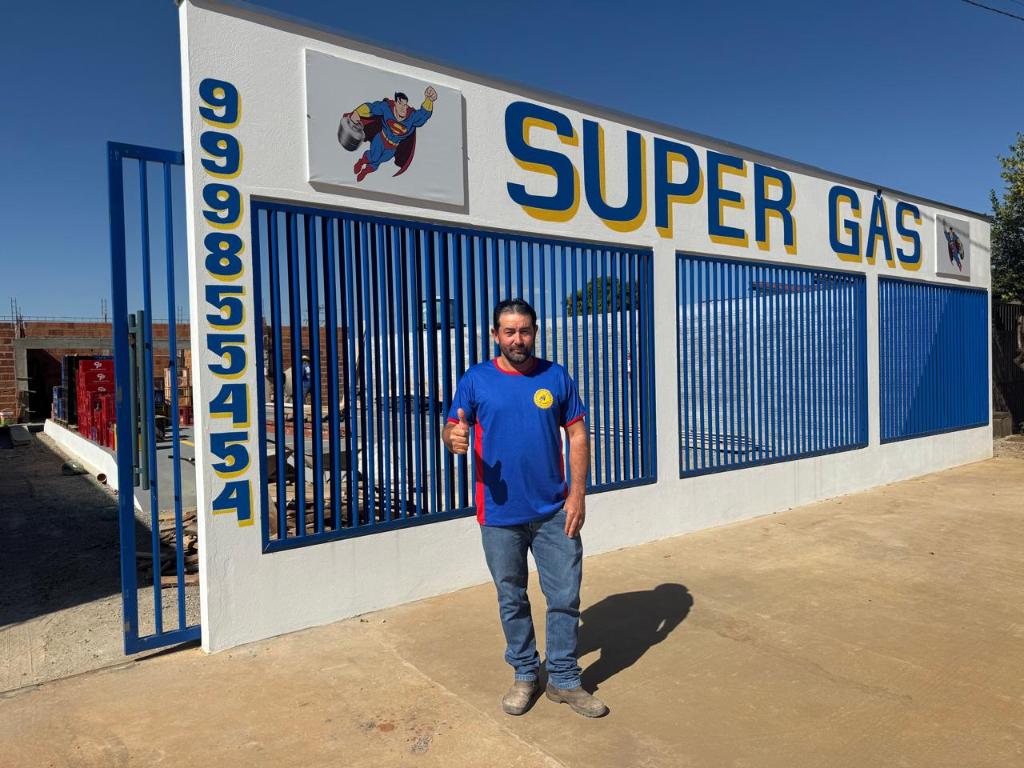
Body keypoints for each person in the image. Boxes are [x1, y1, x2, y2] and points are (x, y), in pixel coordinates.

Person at [441, 298, 607, 718]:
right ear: (495, 335)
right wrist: (452, 438)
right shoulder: (476, 379)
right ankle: (526, 673)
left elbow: (578, 434)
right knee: (511, 597)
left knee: (565, 596)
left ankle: (564, 679)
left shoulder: (555, 376)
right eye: (509, 331)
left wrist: (577, 494)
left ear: (535, 332)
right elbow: (453, 425)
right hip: (499, 514)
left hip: (554, 510)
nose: (518, 339)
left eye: (525, 330)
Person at [345, 86, 437, 182]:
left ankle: (365, 171)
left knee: (379, 161)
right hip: (381, 140)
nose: (403, 108)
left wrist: (429, 100)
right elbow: (371, 108)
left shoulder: (411, 117)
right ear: (395, 103)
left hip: (392, 147)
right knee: (374, 157)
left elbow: (423, 115)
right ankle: (361, 162)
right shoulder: (387, 108)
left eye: (405, 105)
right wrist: (357, 112)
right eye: (400, 103)